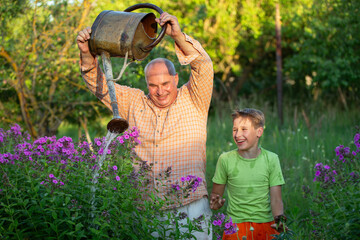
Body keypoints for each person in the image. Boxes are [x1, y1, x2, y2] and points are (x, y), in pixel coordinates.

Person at [77, 12, 213, 239]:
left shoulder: (194, 97)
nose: (160, 91)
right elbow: (98, 84)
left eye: (165, 83)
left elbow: (204, 66)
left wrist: (177, 35)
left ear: (176, 79)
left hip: (191, 205)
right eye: (153, 85)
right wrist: (86, 53)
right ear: (146, 83)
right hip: (147, 209)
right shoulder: (134, 101)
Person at [210, 108, 287, 240]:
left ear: (259, 132)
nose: (237, 134)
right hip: (235, 227)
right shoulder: (225, 159)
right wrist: (215, 203)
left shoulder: (271, 159)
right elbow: (216, 195)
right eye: (235, 130)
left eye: (244, 129)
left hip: (266, 225)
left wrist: (279, 220)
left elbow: (276, 199)